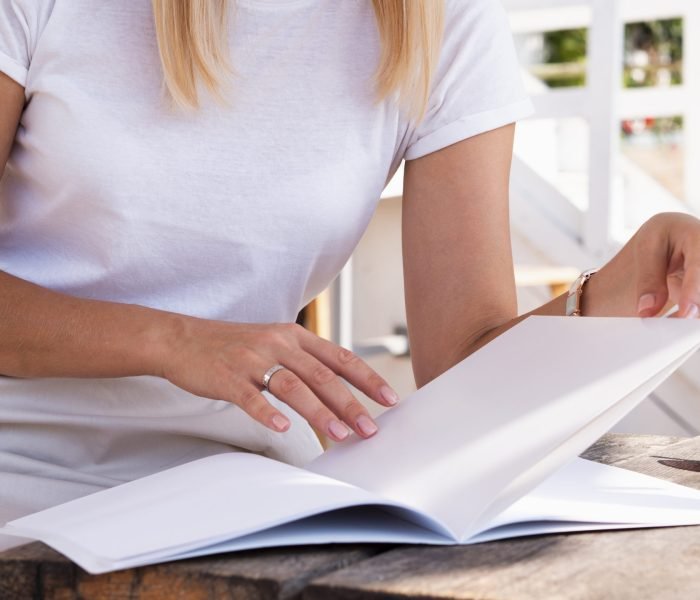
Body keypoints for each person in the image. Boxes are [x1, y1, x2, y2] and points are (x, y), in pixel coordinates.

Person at [0, 0, 698, 553]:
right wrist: (177, 342)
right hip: (20, 472)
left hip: (245, 500)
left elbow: (464, 357)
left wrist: (617, 288)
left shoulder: (441, 20)